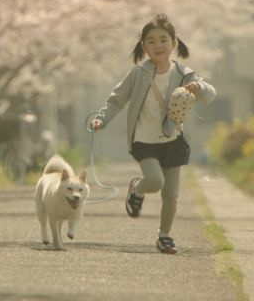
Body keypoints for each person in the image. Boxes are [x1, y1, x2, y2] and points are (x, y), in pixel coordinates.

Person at [90, 14, 216, 254]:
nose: (158, 45)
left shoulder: (184, 73)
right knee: (155, 182)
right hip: (144, 140)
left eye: (163, 40)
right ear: (144, 47)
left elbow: (210, 94)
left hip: (172, 139)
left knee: (171, 194)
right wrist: (101, 119)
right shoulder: (138, 74)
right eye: (151, 41)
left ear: (174, 43)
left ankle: (165, 236)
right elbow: (116, 101)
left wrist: (198, 87)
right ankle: (137, 189)